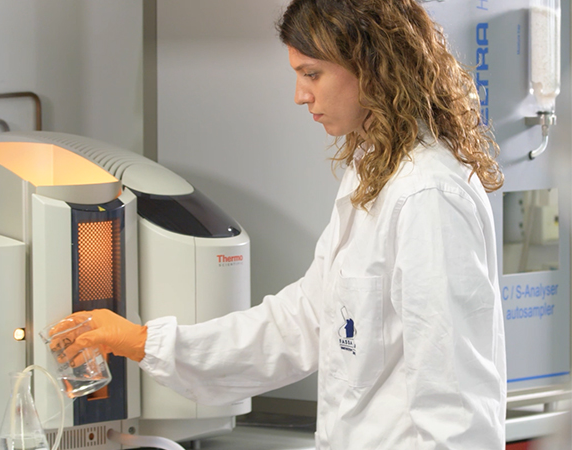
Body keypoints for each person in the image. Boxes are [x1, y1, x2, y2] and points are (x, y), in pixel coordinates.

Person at [55, 0, 507, 448]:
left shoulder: (427, 195)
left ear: (373, 66)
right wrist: (143, 342)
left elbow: (456, 412)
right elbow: (300, 323)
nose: (300, 95)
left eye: (312, 74)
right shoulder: (374, 173)